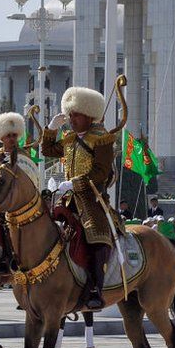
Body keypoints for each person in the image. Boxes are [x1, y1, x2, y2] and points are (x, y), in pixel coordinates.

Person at [42, 87, 117, 310]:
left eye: (76, 115)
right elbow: (47, 150)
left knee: (96, 237)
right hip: (68, 199)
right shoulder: (70, 139)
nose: (71, 119)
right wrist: (51, 129)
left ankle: (95, 289)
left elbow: (101, 172)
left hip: (92, 200)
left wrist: (74, 183)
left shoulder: (101, 139)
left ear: (89, 115)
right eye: (70, 114)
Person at [0, 112, 31, 274]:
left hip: (20, 202)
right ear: (1, 137)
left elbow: (31, 177)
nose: (12, 139)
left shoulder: (24, 155)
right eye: (8, 136)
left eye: (14, 135)